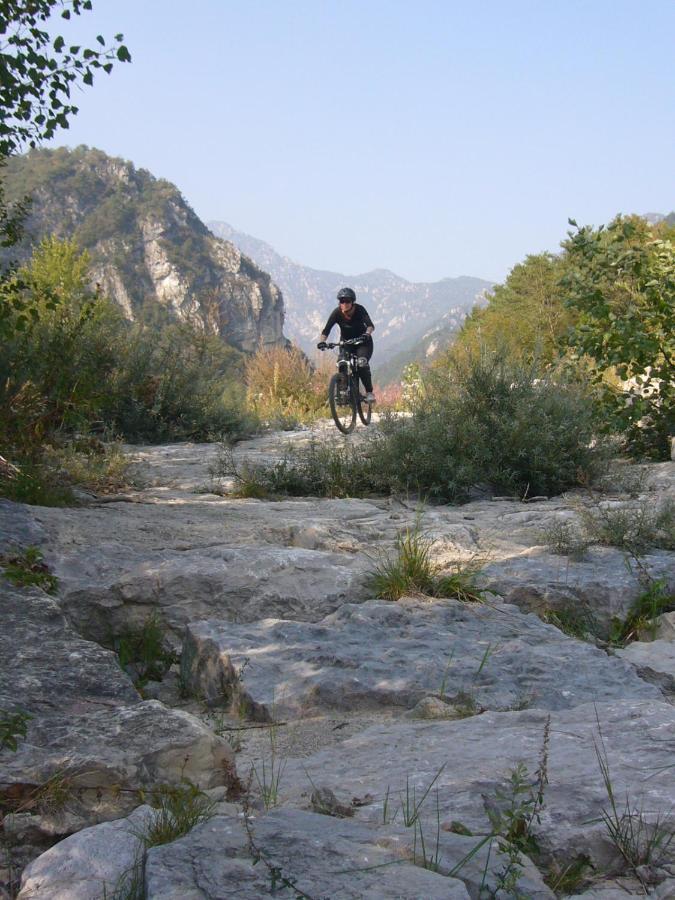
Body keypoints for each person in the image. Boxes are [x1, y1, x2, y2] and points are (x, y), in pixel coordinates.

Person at [317, 287, 376, 402]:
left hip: (363, 343)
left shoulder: (359, 310)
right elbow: (326, 330)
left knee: (361, 363)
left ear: (352, 302)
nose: (344, 304)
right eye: (341, 301)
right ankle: (343, 392)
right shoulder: (337, 312)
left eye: (347, 301)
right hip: (346, 343)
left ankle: (369, 392)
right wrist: (322, 341)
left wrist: (367, 334)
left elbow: (370, 325)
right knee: (342, 363)